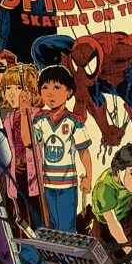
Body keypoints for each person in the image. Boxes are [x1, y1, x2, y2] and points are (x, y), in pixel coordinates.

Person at [30, 66, 92, 232]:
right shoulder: (39, 119)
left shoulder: (74, 121)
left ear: (69, 92)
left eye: (57, 87)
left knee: (66, 227)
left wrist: (88, 176)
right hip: (46, 184)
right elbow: (29, 142)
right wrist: (23, 113)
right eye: (45, 88)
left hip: (67, 185)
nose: (50, 93)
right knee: (51, 226)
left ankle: (68, 249)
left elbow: (84, 151)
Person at [0, 63, 44, 228]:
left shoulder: (37, 115)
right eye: (7, 88)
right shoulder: (9, 118)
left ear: (30, 91)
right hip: (15, 174)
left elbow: (28, 141)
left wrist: (25, 112)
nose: (11, 93)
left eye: (17, 88)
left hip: (34, 174)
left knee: (37, 213)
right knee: (21, 214)